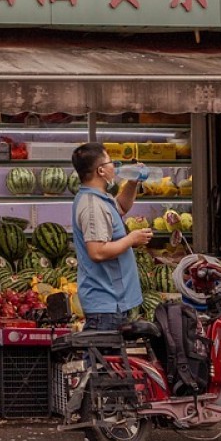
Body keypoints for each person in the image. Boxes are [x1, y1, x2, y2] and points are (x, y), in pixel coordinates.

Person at [70, 141, 154, 331]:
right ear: (101, 170)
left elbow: (122, 207)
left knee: (104, 357)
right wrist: (132, 239)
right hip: (105, 303)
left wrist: (132, 182)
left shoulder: (100, 197)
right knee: (102, 358)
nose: (115, 167)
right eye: (111, 163)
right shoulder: (92, 206)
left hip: (112, 302)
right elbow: (97, 252)